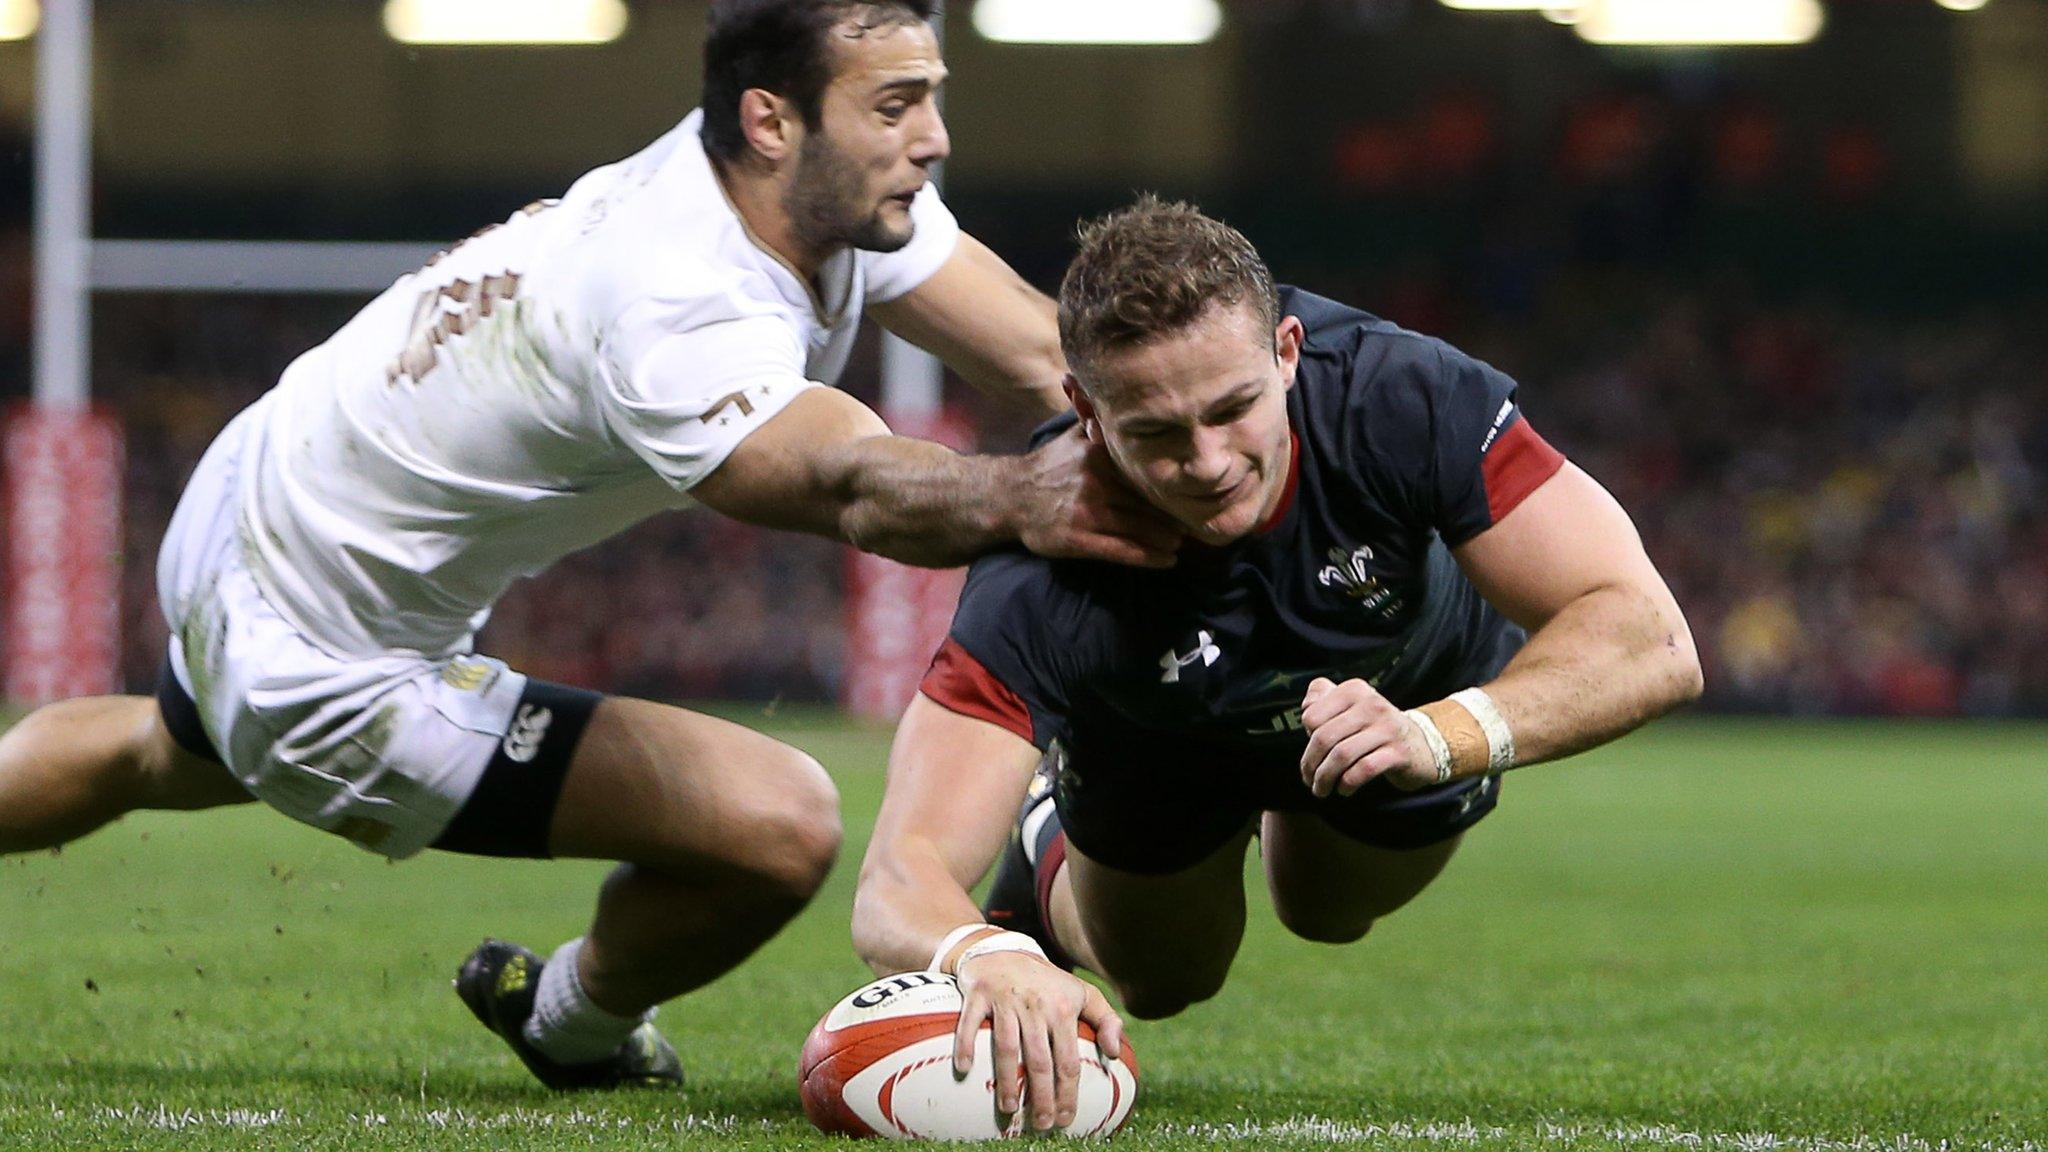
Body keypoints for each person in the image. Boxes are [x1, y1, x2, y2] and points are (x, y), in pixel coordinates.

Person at [0, 0, 1178, 1092]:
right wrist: (1026, 493)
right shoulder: (673, 298)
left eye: (928, 95)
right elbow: (855, 483)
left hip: (259, 499)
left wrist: (1234, 441)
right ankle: (567, 1020)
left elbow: (1042, 355)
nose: (931, 139)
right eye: (893, 105)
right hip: (324, 663)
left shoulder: (809, 185)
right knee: (782, 824)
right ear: (771, 121)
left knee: (164, 750)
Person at [851, 196, 1704, 1131]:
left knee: (1327, 908)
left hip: (1397, 708)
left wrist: (1442, 732)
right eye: (1159, 434)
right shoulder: (1041, 567)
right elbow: (900, 875)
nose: (1210, 461)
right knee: (1165, 979)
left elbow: (1650, 639)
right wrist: (985, 952)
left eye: (1234, 409)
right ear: (1085, 411)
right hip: (1161, 737)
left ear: (1288, 354)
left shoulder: (1401, 395)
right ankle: (1047, 837)